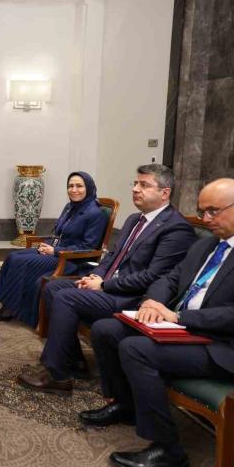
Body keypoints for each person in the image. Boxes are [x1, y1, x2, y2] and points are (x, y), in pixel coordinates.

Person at [82, 178, 234, 467]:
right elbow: (170, 279)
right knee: (106, 329)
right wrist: (152, 302)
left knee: (135, 349)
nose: (205, 219)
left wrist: (179, 317)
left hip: (230, 347)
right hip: (188, 330)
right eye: (202, 212)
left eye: (213, 212)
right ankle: (126, 404)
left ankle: (169, 453)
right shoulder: (206, 244)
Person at [18, 164, 196, 394]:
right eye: (135, 183)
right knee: (52, 287)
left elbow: (152, 276)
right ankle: (75, 361)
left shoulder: (176, 228)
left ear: (165, 192)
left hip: (134, 298)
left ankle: (57, 374)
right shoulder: (134, 219)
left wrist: (103, 285)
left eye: (144, 185)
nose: (135, 189)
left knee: (67, 297)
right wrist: (97, 275)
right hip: (110, 285)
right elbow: (112, 255)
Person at [0, 171, 108, 326]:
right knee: (13, 256)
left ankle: (11, 308)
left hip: (71, 260)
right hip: (56, 251)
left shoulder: (96, 213)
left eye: (79, 186)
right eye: (70, 186)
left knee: (21, 262)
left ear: (89, 188)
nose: (74, 190)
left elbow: (88, 247)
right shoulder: (70, 207)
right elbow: (59, 233)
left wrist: (55, 251)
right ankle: (8, 303)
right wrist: (47, 245)